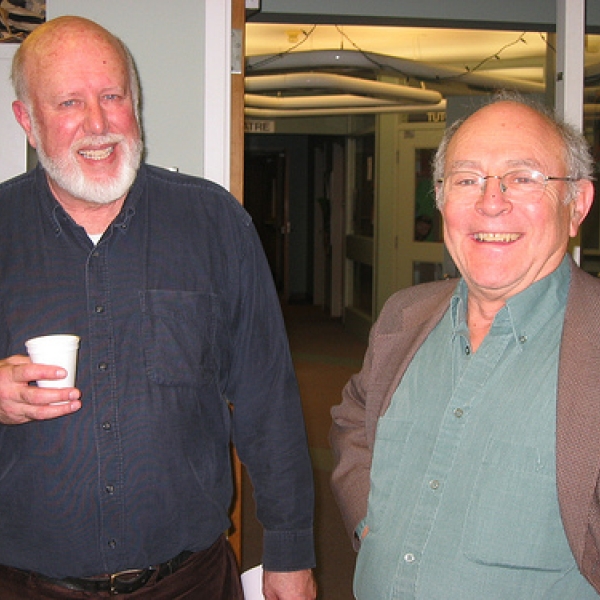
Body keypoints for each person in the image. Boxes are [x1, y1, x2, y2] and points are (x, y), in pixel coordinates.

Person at [0, 15, 316, 600]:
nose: (98, 124)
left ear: (135, 101)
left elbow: (268, 402)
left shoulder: (214, 223)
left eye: (112, 96)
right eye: (69, 102)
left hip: (189, 581)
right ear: (27, 120)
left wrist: (290, 552)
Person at [330, 92, 600, 599]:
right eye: (467, 179)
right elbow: (353, 422)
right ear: (440, 198)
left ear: (576, 204)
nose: (490, 202)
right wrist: (372, 526)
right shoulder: (403, 317)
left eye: (523, 178)